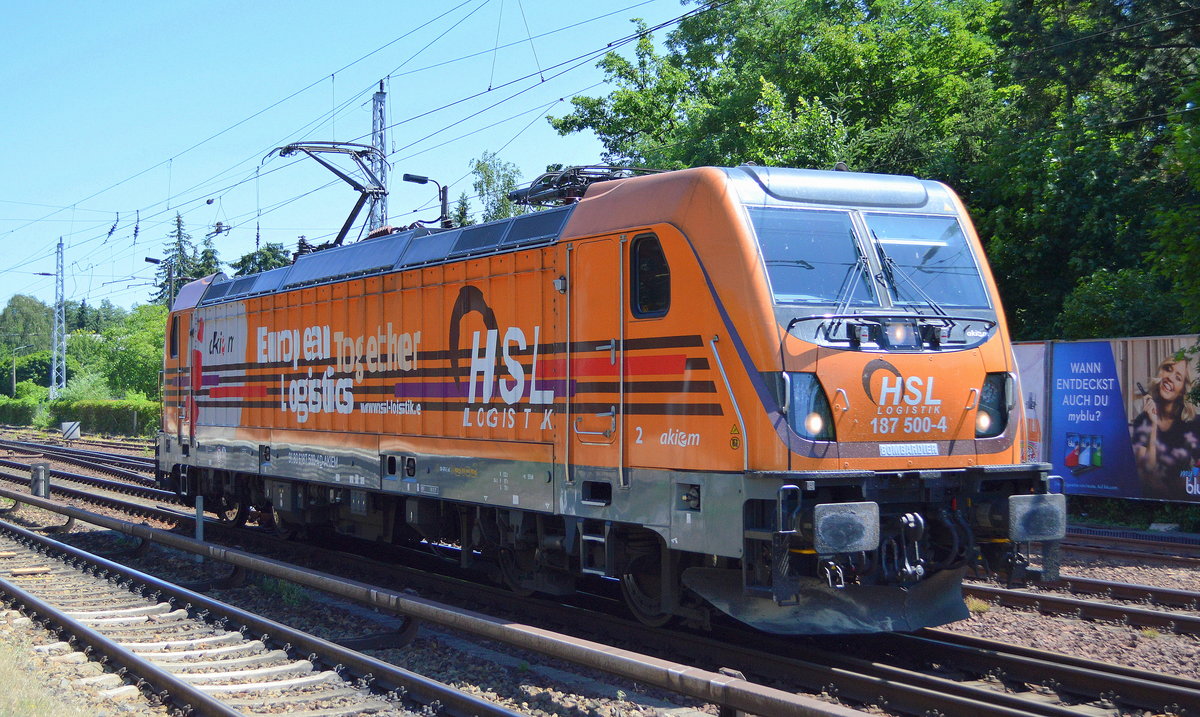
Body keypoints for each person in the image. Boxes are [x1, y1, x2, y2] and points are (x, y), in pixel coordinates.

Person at [1131, 357, 1200, 499]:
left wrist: (1188, 479)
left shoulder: (1193, 422)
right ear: (1161, 372)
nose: (1169, 377)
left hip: (1184, 496)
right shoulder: (1143, 420)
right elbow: (1146, 471)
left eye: (1178, 377)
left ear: (1183, 390)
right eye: (1168, 369)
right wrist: (1153, 425)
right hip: (1151, 496)